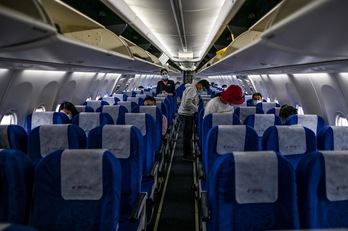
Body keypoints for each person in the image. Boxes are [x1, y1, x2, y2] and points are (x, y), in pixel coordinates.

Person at [178, 79, 210, 161]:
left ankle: (187, 153)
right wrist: (197, 109)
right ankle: (186, 155)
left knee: (187, 135)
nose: (202, 91)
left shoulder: (193, 89)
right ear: (199, 84)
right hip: (186, 114)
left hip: (187, 113)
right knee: (187, 135)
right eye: (203, 89)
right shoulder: (192, 89)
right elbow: (187, 103)